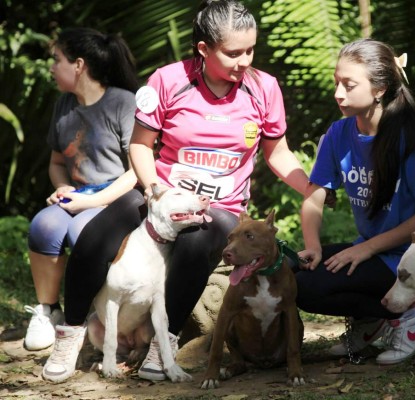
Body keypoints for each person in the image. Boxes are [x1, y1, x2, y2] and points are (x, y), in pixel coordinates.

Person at [41, 0, 310, 383]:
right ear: (203, 49)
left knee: (199, 240)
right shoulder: (167, 80)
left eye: (251, 49)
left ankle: (159, 347)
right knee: (99, 232)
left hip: (220, 206)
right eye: (233, 53)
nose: (244, 60)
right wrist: (155, 192)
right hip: (159, 190)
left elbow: (277, 152)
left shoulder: (264, 87)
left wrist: (310, 186)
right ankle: (70, 333)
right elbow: (139, 146)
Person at [296, 38, 415, 365]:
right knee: (297, 276)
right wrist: (313, 246)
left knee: (313, 288)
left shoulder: (408, 138)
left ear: (379, 90)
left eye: (349, 85)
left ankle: (409, 315)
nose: (338, 93)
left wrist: (367, 248)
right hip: (371, 250)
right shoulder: (338, 133)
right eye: (337, 82)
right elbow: (314, 197)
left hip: (410, 260)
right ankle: (371, 320)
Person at [24, 27, 139, 352]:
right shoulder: (63, 105)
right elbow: (57, 162)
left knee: (82, 229)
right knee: (44, 224)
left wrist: (95, 201)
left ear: (78, 64)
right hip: (77, 196)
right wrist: (63, 190)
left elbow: (136, 172)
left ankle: (94, 313)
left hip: (117, 199)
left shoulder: (123, 103)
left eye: (56, 59)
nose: (51, 67)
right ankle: (48, 311)